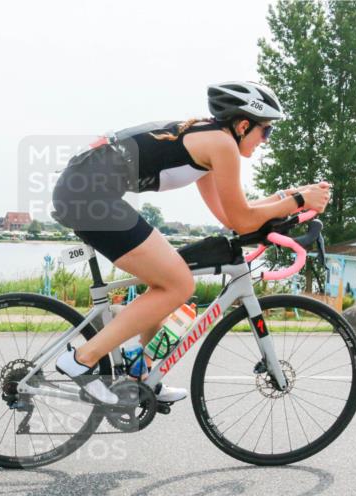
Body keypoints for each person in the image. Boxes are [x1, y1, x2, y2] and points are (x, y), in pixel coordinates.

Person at [51, 80, 331, 405]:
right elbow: (242, 220)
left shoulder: (209, 144)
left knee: (168, 281)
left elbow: (233, 215)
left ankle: (140, 374)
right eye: (265, 132)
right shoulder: (222, 145)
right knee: (178, 284)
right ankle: (82, 359)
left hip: (82, 192)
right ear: (243, 125)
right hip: (88, 196)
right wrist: (298, 199)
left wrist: (291, 198)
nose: (265, 141)